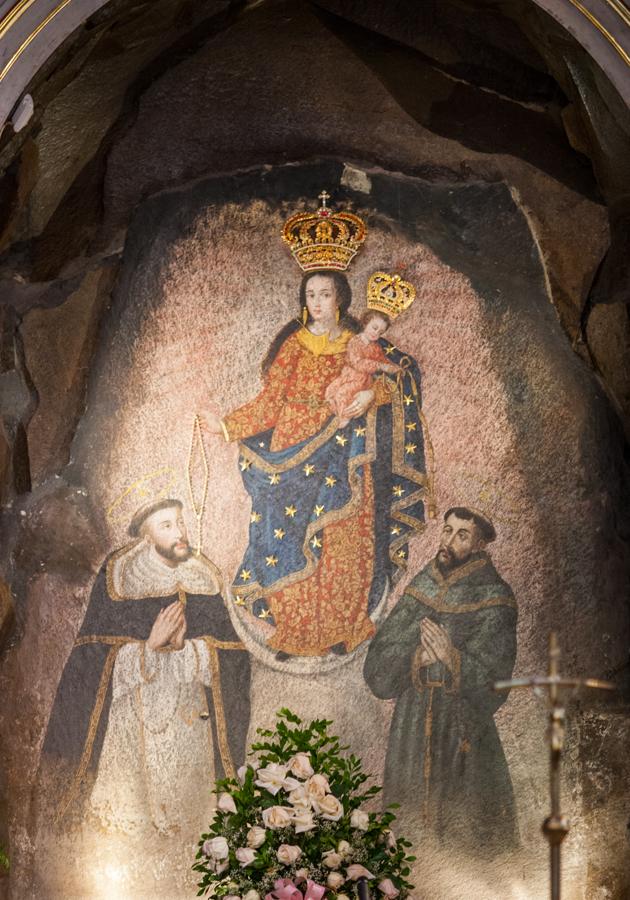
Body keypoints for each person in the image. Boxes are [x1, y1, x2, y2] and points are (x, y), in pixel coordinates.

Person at [203, 270, 429, 658]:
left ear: (340, 298)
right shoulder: (293, 345)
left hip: (343, 449)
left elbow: (397, 381)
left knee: (342, 536)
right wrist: (226, 426)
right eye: (311, 295)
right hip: (291, 445)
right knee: (287, 534)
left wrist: (370, 396)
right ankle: (295, 633)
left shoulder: (361, 343)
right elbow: (270, 402)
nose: (318, 302)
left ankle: (344, 628)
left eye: (325, 294)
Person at [41, 497, 251, 835]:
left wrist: (189, 649)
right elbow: (90, 659)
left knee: (193, 827)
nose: (180, 532)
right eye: (166, 525)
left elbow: (233, 657)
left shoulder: (203, 578)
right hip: (130, 732)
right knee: (129, 827)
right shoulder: (120, 577)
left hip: (189, 728)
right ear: (146, 535)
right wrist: (149, 648)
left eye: (180, 522)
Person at [364, 506, 519, 856]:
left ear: (480, 544)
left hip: (464, 732)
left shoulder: (495, 596)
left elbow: (497, 682)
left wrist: (452, 658)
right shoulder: (423, 585)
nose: (449, 540)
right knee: (407, 837)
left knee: (468, 841)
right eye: (447, 530)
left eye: (462, 534)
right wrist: (416, 658)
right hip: (412, 729)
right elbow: (376, 667)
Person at [324, 310, 401, 427]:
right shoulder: (355, 341)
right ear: (365, 323)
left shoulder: (376, 347)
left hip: (361, 380)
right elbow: (358, 363)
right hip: (348, 375)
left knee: (342, 393)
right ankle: (337, 412)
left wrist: (390, 366)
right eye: (374, 328)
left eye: (380, 332)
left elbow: (382, 360)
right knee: (330, 390)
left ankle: (344, 418)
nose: (376, 333)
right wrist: (380, 366)